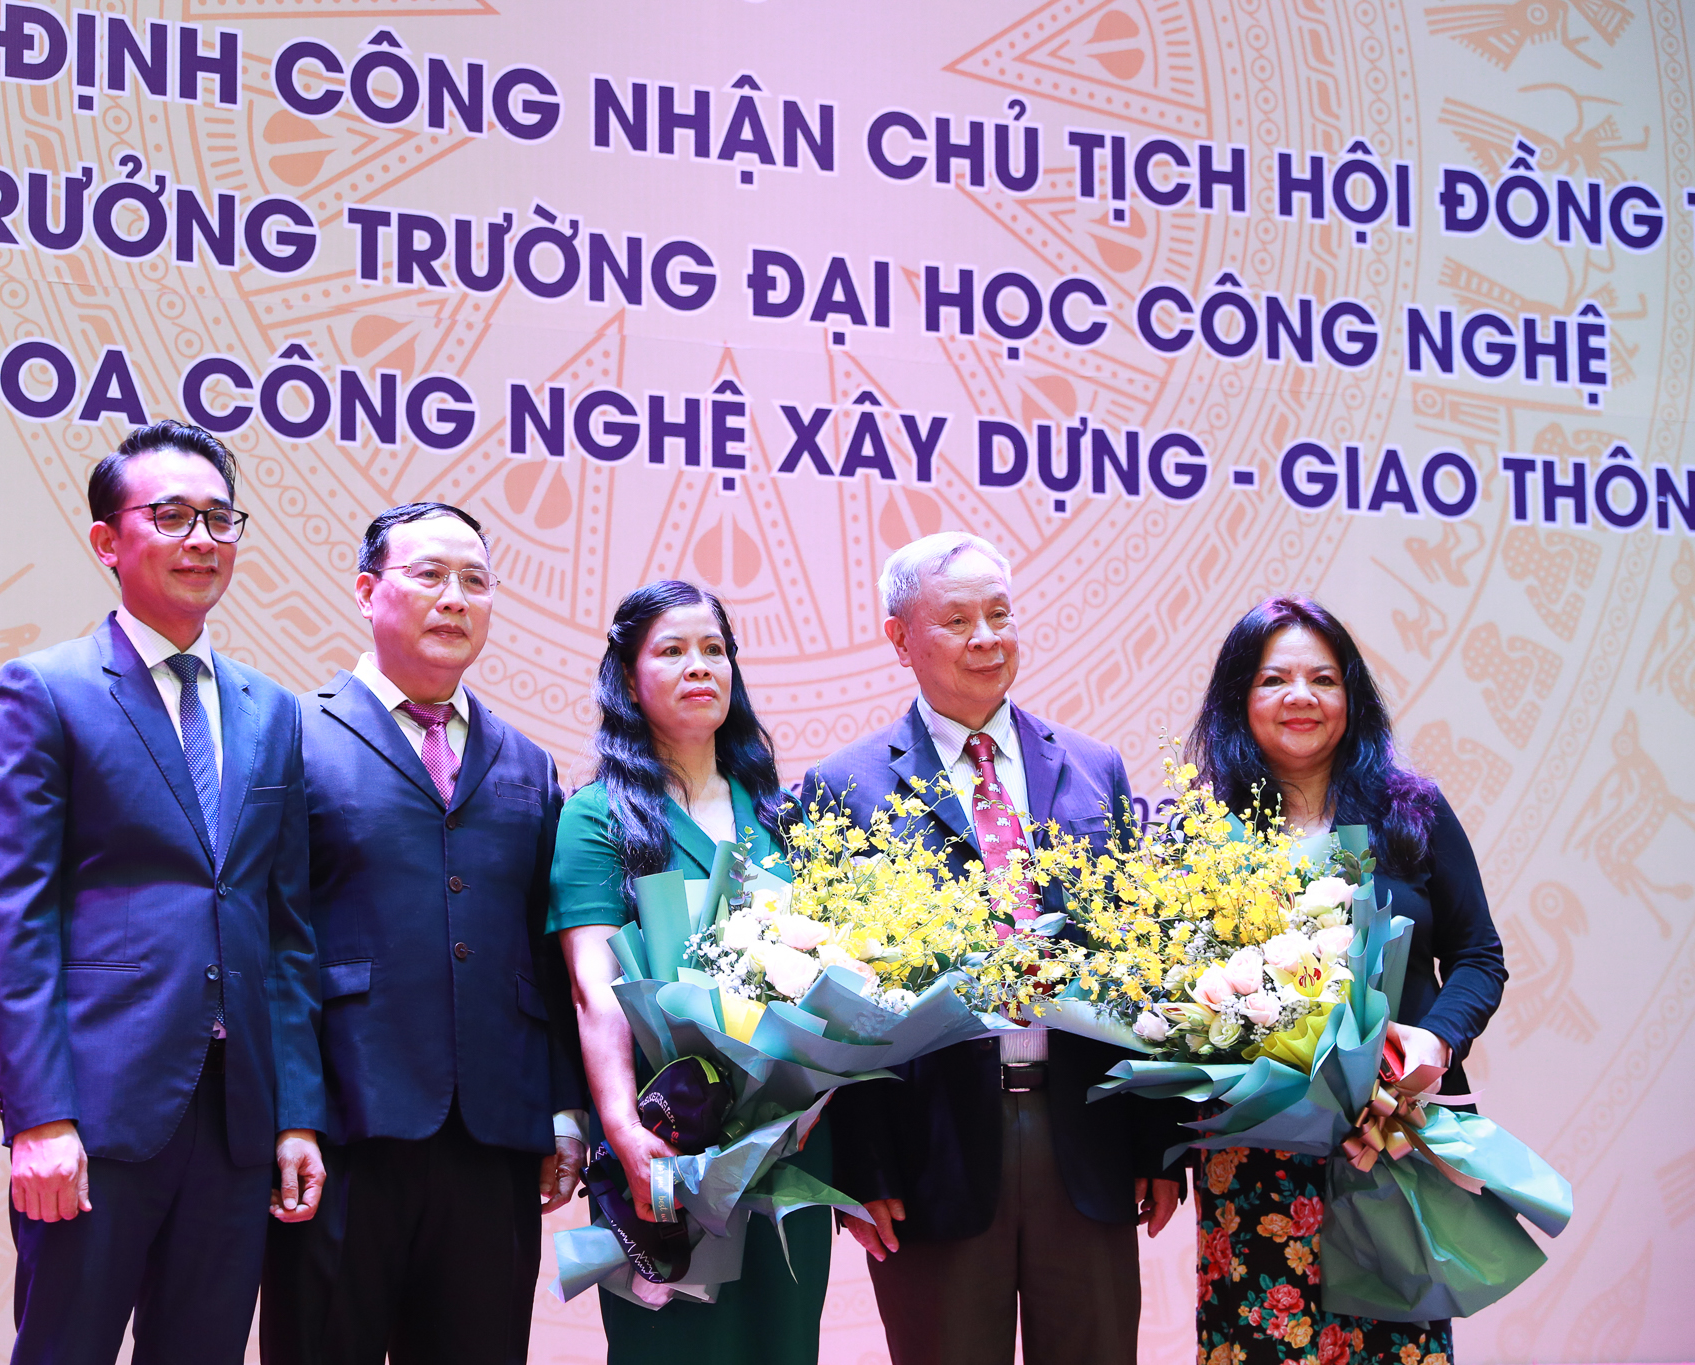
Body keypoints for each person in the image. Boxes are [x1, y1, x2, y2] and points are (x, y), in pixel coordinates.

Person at [0, 419, 327, 1365]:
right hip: (97, 1110)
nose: (202, 539)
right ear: (107, 540)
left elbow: (287, 930)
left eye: (220, 518)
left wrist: (295, 1112)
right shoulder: (45, 691)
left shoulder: (271, 708)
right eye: (171, 516)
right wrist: (39, 1116)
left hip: (237, 1117)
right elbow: (14, 922)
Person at [801, 531, 1185, 1365]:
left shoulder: (1094, 768)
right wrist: (860, 1164)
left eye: (1000, 615)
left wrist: (1158, 1139)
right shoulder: (844, 786)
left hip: (1083, 1135)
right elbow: (831, 997)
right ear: (900, 638)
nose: (986, 637)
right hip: (929, 1152)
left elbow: (1142, 966)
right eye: (958, 620)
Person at [259, 501, 587, 1365]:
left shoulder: (527, 761)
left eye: (475, 580)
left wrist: (562, 1106)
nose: (455, 597)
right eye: (430, 575)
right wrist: (290, 1113)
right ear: (368, 591)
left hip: (494, 1135)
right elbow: (273, 943)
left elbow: (545, 948)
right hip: (344, 1125)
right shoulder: (293, 735)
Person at [1185, 596, 1506, 1365]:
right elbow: (1174, 991)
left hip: (1391, 1138)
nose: (1301, 696)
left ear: (1351, 695)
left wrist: (1435, 1039)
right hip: (1257, 1160)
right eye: (1275, 679)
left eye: (1323, 679)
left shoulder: (1410, 809)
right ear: (1239, 698)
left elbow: (1478, 954)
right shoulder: (1206, 832)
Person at [549, 580, 832, 1361]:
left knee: (781, 1347)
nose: (699, 666)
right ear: (629, 676)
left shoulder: (782, 815)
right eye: (671, 651)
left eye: (713, 649)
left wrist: (819, 1089)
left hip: (785, 1146)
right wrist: (623, 1129)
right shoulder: (598, 815)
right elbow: (595, 989)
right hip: (664, 1142)